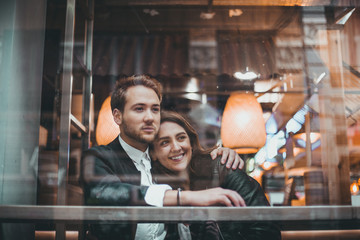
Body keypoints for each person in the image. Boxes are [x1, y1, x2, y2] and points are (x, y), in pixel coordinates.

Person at [81, 75, 245, 240]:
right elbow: (107, 193)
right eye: (139, 109)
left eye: (155, 109)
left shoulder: (161, 159)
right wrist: (184, 198)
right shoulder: (98, 157)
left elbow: (191, 160)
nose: (149, 117)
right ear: (118, 116)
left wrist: (223, 153)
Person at [150, 111, 282, 240]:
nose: (176, 147)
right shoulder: (155, 188)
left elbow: (267, 229)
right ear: (153, 154)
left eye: (181, 138)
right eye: (164, 142)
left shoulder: (222, 167)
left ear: (190, 143)